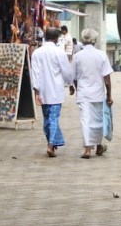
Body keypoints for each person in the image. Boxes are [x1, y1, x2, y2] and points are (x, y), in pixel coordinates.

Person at [30, 27, 75, 157]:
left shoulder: (37, 53)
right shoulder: (59, 52)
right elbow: (66, 71)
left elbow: (35, 73)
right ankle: (51, 145)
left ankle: (52, 143)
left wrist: (36, 92)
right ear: (56, 39)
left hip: (43, 91)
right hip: (56, 91)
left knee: (47, 119)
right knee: (53, 118)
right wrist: (71, 84)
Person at [73, 28, 113, 159]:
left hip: (83, 93)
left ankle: (88, 149)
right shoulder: (101, 55)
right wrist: (109, 95)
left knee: (85, 120)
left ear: (83, 40)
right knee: (98, 120)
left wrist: (77, 89)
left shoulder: (77, 56)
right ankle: (99, 145)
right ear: (94, 41)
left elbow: (74, 77)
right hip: (98, 93)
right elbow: (106, 78)